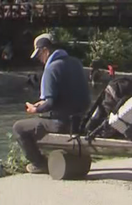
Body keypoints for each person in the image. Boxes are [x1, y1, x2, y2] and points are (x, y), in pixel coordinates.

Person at [12, 33, 92, 174]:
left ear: (45, 51)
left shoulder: (51, 69)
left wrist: (35, 109)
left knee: (19, 128)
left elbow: (49, 104)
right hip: (81, 122)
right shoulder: (76, 63)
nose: (40, 60)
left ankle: (39, 163)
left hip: (62, 124)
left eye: (39, 56)